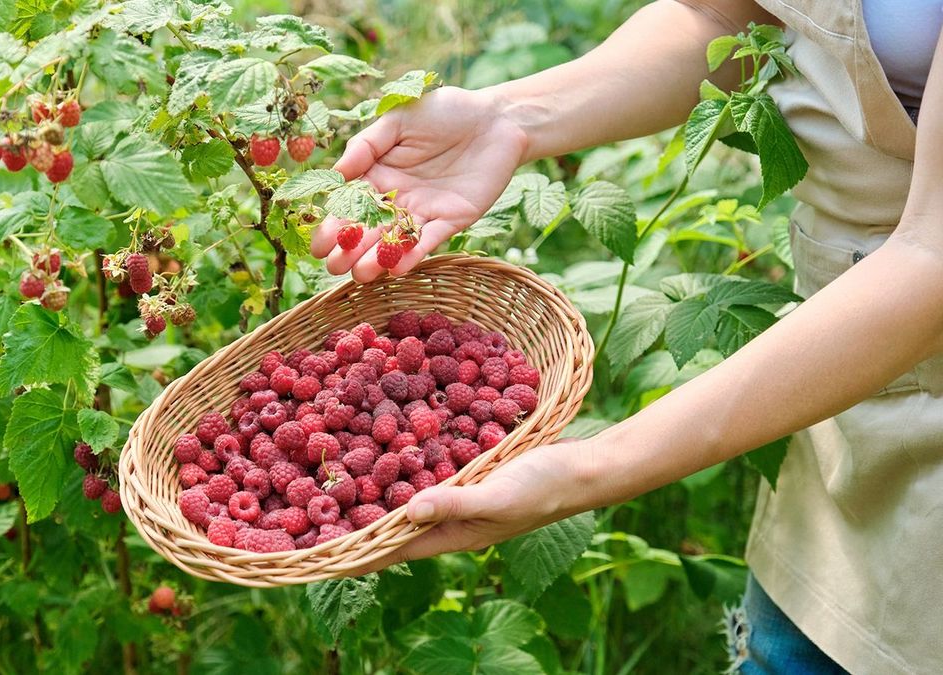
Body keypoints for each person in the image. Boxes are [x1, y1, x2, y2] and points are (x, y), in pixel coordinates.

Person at [311, 1, 943, 672]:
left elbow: (931, 261)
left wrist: (588, 465)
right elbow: (726, 17)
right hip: (836, 377)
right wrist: (510, 117)